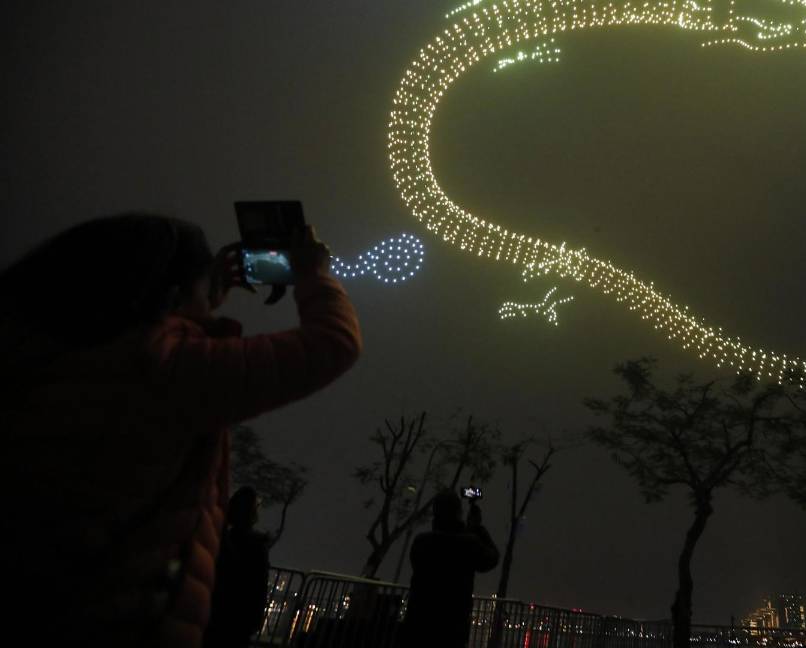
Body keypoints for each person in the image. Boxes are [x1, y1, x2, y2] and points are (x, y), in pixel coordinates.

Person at [0, 213, 361, 647]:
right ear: (173, 289)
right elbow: (333, 342)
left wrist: (203, 298)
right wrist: (311, 273)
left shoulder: (40, 357)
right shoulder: (164, 368)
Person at [399, 490, 499, 648]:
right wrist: (477, 528)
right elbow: (492, 558)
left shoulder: (421, 542)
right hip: (452, 628)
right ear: (459, 513)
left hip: (418, 624)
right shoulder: (469, 544)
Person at [203, 487, 272, 648]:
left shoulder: (219, 539)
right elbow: (258, 586)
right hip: (240, 618)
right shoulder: (257, 546)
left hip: (215, 614)